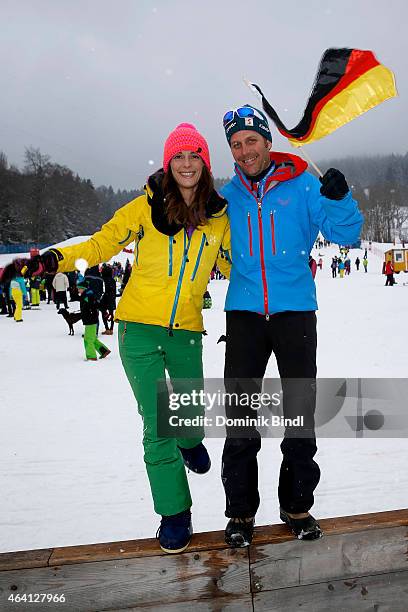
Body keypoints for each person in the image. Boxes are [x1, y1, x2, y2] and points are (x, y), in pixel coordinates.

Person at [1, 123, 231, 554]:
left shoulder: (219, 216)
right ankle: (174, 513)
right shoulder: (144, 209)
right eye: (178, 157)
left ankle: (190, 439)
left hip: (185, 333)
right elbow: (102, 242)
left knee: (188, 414)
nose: (186, 164)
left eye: (194, 156)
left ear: (205, 162)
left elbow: (240, 265)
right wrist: (55, 259)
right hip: (138, 331)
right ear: (168, 163)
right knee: (157, 423)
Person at [220, 104, 363, 547]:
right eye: (236, 144)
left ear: (268, 141)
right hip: (244, 314)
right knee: (240, 415)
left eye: (251, 141)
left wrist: (340, 199)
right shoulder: (227, 194)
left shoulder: (302, 185)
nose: (244, 151)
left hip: (294, 311)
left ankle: (297, 504)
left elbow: (346, 235)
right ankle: (241, 513)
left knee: (300, 412)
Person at [77, 278, 111, 360]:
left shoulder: (88, 296)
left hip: (90, 320)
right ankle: (104, 351)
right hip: (90, 319)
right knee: (92, 338)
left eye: (79, 288)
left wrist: (93, 313)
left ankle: (91, 356)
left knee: (88, 339)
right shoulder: (86, 295)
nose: (78, 289)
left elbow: (94, 305)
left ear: (83, 288)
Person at [100, 264, 117, 335]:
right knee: (111, 313)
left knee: (103, 312)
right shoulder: (113, 280)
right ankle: (111, 329)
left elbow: (102, 290)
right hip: (112, 298)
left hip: (105, 298)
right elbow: (114, 291)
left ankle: (107, 329)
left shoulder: (102, 279)